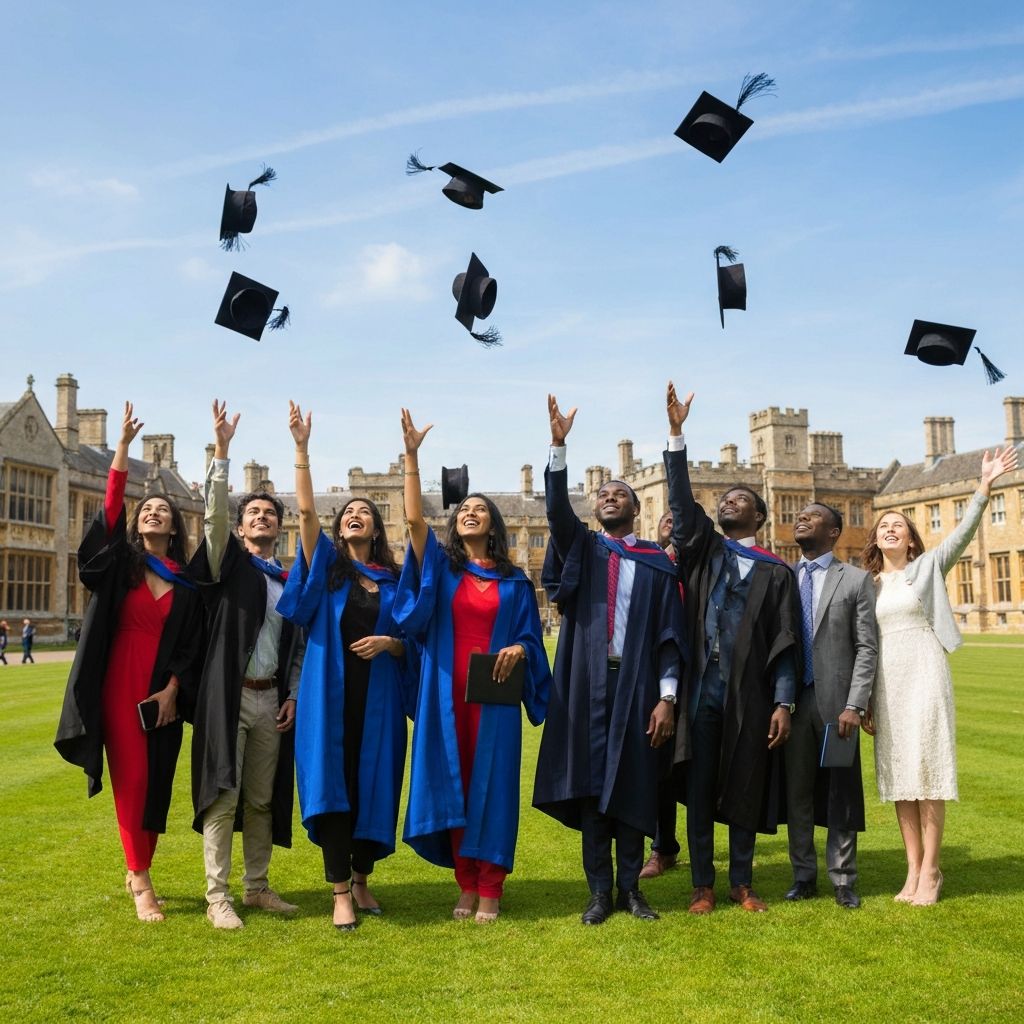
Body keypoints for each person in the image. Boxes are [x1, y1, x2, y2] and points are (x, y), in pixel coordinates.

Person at [534, 396, 686, 925]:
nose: (608, 496)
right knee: (592, 789)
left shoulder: (656, 563)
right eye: (602, 494)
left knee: (635, 786)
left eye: (618, 492)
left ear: (638, 506)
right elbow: (556, 510)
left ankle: (632, 890)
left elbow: (670, 636)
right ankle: (599, 892)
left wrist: (667, 698)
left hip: (639, 685)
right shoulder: (585, 549)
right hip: (586, 683)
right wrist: (558, 446)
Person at [395, 408, 550, 924]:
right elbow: (415, 520)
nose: (472, 512)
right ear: (456, 523)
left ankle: (491, 886)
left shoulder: (516, 583)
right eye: (466, 509)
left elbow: (531, 636)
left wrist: (523, 650)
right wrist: (412, 456)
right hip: (446, 695)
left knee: (495, 787)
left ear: (494, 524)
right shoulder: (441, 569)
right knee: (453, 783)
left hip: (497, 695)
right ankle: (465, 882)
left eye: (481, 510)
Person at [55, 402, 204, 922]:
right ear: (138, 523)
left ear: (176, 523)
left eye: (162, 509)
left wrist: (172, 690)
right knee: (133, 779)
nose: (154, 512)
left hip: (162, 691)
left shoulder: (187, 583)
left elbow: (192, 647)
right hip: (120, 683)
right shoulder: (122, 566)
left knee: (157, 781)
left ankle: (140, 863)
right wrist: (120, 449)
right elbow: (110, 512)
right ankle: (141, 879)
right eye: (148, 510)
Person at [277, 402, 415, 931]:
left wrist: (392, 645)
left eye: (366, 511)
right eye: (348, 511)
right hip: (327, 694)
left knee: (372, 783)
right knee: (333, 785)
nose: (356, 514)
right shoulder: (327, 569)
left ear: (379, 526)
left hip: (377, 695)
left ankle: (362, 877)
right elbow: (307, 516)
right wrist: (302, 450)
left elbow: (411, 640)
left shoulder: (394, 579)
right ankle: (339, 891)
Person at [664, 382, 800, 914]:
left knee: (745, 784)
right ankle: (702, 884)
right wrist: (677, 434)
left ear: (760, 517)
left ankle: (742, 881)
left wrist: (784, 703)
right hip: (703, 690)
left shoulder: (776, 572)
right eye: (724, 498)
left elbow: (787, 642)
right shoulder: (702, 551)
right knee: (698, 787)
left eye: (740, 499)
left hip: (752, 693)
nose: (728, 501)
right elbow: (680, 500)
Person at [863, 444, 1018, 907]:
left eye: (899, 526)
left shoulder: (928, 566)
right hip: (887, 683)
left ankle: (931, 870)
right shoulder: (866, 583)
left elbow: (964, 532)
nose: (891, 529)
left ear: (911, 540)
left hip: (924, 673)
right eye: (883, 526)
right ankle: (911, 869)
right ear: (876, 540)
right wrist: (864, 697)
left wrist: (985, 486)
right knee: (898, 775)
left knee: (927, 772)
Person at [189, 401, 305, 930]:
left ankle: (257, 887)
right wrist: (222, 452)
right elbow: (212, 518)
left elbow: (298, 647)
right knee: (224, 793)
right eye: (253, 514)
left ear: (280, 528)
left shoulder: (287, 581)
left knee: (261, 798)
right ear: (239, 529)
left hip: (269, 699)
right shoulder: (227, 564)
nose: (262, 518)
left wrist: (293, 694)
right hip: (228, 694)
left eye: (269, 514)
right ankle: (219, 896)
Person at [784, 502, 877, 909]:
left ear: (835, 532)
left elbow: (867, 648)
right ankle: (803, 876)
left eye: (813, 516)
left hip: (838, 706)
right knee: (797, 794)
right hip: (792, 703)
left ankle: (842, 879)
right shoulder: (784, 579)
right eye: (799, 514)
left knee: (839, 792)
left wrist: (855, 705)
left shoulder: (855, 580)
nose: (802, 518)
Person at [640, 510, 684, 880]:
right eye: (665, 515)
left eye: (680, 515)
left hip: (700, 673)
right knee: (658, 768)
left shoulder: (702, 562)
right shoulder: (646, 560)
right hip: (655, 674)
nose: (671, 519)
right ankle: (662, 846)